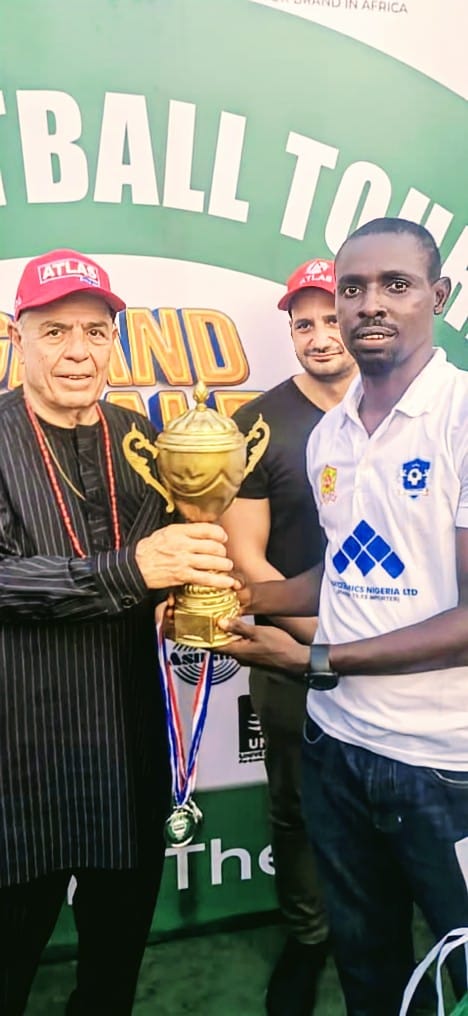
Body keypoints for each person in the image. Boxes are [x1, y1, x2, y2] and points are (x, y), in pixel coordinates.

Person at [219, 219, 468, 1016]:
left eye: (396, 284)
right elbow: (350, 572)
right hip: (337, 746)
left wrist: (319, 662)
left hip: (442, 765)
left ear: (439, 295)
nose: (369, 304)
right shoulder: (331, 435)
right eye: (352, 288)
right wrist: (248, 598)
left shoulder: (461, 417)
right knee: (370, 972)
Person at [0, 248, 235, 1016]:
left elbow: (162, 561)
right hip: (20, 762)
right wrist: (135, 569)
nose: (78, 351)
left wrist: (179, 597)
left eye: (96, 332)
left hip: (128, 755)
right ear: (18, 337)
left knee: (111, 977)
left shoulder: (142, 436)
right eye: (56, 331)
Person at [221, 258, 357, 1015]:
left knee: (394, 807)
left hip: (400, 662)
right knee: (297, 811)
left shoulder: (402, 413)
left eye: (331, 318)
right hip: (288, 655)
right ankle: (308, 939)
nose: (319, 335)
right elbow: (246, 556)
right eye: (304, 324)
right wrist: (326, 640)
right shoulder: (258, 423)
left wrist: (369, 647)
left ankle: (386, 935)